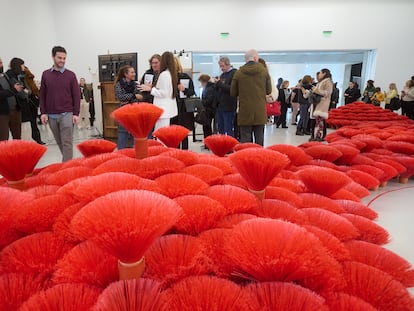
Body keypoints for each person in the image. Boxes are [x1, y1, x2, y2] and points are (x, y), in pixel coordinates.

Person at [40, 46, 80, 162]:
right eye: (59, 58)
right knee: (60, 143)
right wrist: (43, 112)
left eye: (64, 58)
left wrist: (76, 113)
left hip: (67, 113)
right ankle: (70, 163)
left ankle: (67, 168)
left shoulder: (71, 75)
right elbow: (42, 95)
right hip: (51, 115)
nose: (62, 60)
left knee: (67, 142)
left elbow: (76, 95)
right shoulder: (46, 74)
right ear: (53, 57)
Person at [230, 49, 271, 146]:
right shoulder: (264, 71)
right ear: (256, 58)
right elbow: (268, 91)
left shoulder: (239, 72)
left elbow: (233, 92)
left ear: (245, 59)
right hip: (260, 112)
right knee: (259, 140)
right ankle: (259, 159)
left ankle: (247, 160)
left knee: (246, 141)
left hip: (245, 112)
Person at [139, 51, 178, 130]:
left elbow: (163, 93)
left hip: (162, 109)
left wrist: (150, 89)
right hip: (166, 109)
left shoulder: (164, 74)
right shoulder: (170, 73)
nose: (154, 65)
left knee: (160, 135)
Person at [114, 65, 143, 149]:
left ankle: (135, 154)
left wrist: (129, 98)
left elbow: (141, 97)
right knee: (123, 133)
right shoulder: (119, 84)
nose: (134, 74)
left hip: (135, 111)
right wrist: (134, 96)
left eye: (134, 72)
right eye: (132, 72)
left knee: (135, 134)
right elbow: (121, 97)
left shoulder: (136, 84)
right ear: (126, 74)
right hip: (123, 112)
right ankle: (121, 156)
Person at [170, 57, 196, 150]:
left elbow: (192, 92)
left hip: (183, 109)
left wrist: (184, 90)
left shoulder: (185, 76)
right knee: (173, 133)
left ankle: (184, 153)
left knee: (183, 133)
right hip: (172, 108)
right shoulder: (167, 77)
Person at [0, 58, 25, 140]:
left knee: (17, 137)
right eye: (0, 63)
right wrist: (13, 90)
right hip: (2, 113)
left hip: (15, 110)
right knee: (3, 139)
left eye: (1, 63)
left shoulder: (5, 76)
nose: (2, 65)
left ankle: (18, 153)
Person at [305, 69, 333, 141]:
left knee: (320, 121)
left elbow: (327, 93)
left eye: (320, 73)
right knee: (316, 121)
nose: (319, 75)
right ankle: (315, 135)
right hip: (316, 103)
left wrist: (316, 90)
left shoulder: (328, 82)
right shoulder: (321, 82)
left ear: (324, 73)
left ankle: (319, 136)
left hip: (322, 103)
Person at [215, 57, 237, 137]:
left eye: (223, 66)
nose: (221, 68)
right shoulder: (222, 75)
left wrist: (220, 84)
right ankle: (222, 146)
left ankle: (230, 147)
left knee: (229, 128)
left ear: (228, 64)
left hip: (229, 107)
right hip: (220, 106)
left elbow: (232, 89)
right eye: (220, 66)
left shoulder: (234, 73)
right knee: (220, 129)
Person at [24, 66, 45, 144]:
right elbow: (35, 91)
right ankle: (37, 139)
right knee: (33, 123)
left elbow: (29, 92)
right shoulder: (31, 79)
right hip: (34, 103)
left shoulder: (25, 80)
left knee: (30, 123)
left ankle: (34, 139)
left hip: (29, 102)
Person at [198, 74, 216, 143]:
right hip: (208, 110)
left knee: (207, 127)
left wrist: (201, 102)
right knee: (206, 126)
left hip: (209, 110)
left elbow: (209, 100)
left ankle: (208, 142)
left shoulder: (210, 89)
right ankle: (207, 142)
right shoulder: (208, 88)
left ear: (204, 81)